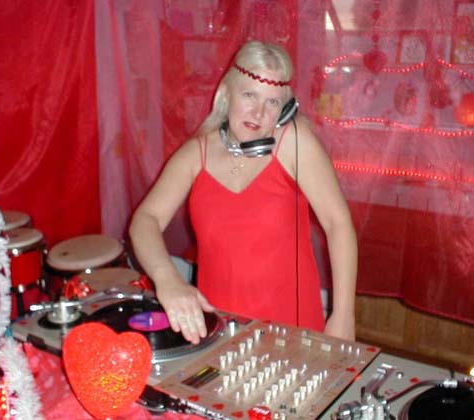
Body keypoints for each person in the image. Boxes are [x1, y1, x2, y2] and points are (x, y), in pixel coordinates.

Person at [129, 40, 357, 344]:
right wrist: (168, 279)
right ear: (226, 93)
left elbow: (338, 224)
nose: (258, 112)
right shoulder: (197, 153)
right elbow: (146, 219)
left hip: (293, 330)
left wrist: (343, 316)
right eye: (249, 95)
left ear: (285, 109)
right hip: (220, 329)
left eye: (272, 102)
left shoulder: (294, 143)